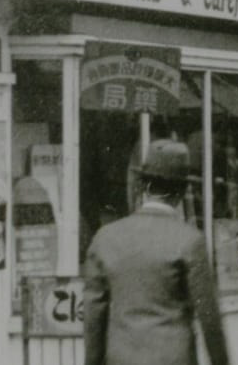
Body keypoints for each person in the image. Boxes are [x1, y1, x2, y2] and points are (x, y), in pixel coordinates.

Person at [81, 141, 229, 365]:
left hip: (121, 358)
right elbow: (209, 317)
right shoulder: (189, 241)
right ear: (182, 191)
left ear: (142, 186)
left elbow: (94, 313)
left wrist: (92, 361)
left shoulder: (106, 238)